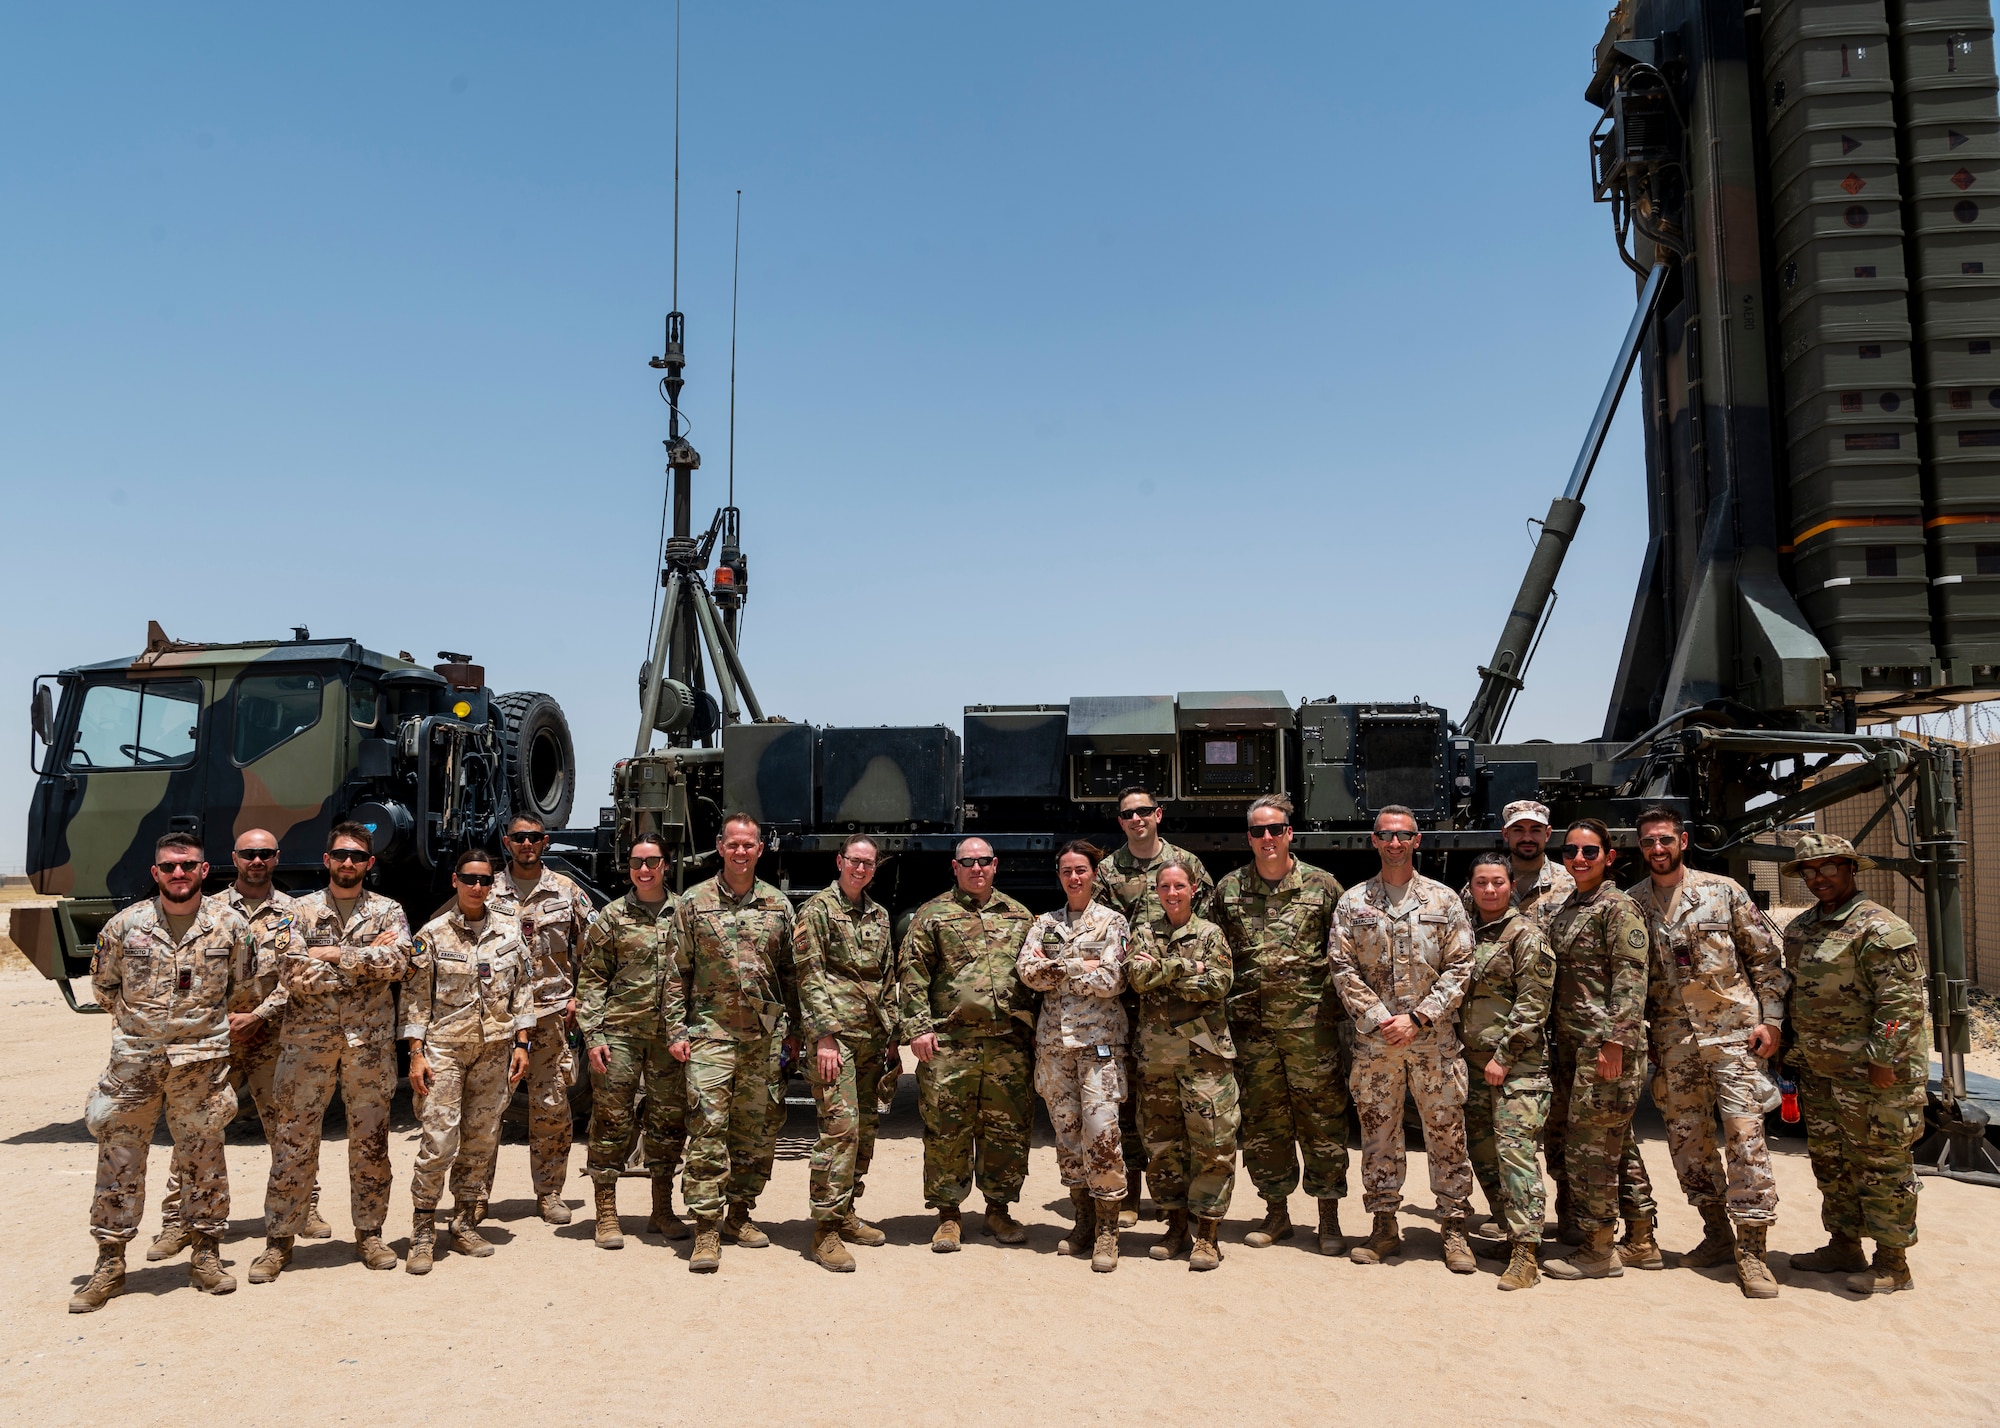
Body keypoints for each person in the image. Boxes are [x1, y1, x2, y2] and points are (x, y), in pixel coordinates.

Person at [69, 834, 254, 1313]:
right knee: (119, 1158)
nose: (178, 873)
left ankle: (207, 1254)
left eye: (187, 865)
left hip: (200, 1064)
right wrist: (148, 1029)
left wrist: (197, 1030)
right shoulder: (124, 926)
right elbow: (105, 987)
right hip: (135, 1062)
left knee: (204, 1156)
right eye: (169, 866)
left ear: (204, 870)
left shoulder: (229, 925)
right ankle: (110, 1262)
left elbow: (244, 987)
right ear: (155, 873)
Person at [148, 829, 330, 1262]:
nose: (257, 861)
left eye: (265, 854)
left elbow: (299, 976)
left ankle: (305, 1209)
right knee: (195, 1127)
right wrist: (216, 1022)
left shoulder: (294, 912)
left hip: (274, 1035)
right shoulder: (208, 910)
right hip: (215, 1039)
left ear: (277, 858)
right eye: (249, 853)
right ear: (234, 858)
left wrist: (260, 1015)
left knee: (288, 1128)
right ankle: (178, 1221)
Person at [1634, 806, 1787, 1298]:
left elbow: (1764, 957)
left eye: (1665, 840)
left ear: (1683, 841)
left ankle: (1753, 1251)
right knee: (1688, 1144)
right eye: (1649, 843)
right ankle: (1716, 1232)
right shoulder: (1633, 904)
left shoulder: (1723, 892)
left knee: (1746, 1138)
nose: (1658, 850)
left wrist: (1773, 1021)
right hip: (1674, 1044)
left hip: (1734, 1036)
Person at [252, 823, 413, 1282]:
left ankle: (370, 1233)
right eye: (340, 854)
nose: (348, 863)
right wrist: (363, 958)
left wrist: (331, 955)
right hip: (307, 1046)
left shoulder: (389, 910)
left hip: (368, 1047)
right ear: (327, 860)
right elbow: (291, 972)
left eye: (357, 856)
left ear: (369, 864)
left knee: (371, 1142)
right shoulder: (297, 911)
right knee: (293, 1141)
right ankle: (279, 1240)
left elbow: (400, 963)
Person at [1328, 805, 1477, 1270]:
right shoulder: (1354, 902)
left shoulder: (1444, 900)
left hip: (1433, 1043)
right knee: (1378, 1136)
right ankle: (1384, 1225)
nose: (1394, 843)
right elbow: (1341, 966)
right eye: (1385, 835)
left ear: (1418, 840)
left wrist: (1419, 1018)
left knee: (1447, 1134)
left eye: (1403, 835)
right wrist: (1379, 1017)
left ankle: (1454, 1228)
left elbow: (1461, 966)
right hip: (1376, 1046)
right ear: (1373, 841)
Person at [1781, 832, 1928, 1295]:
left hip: (1873, 1075)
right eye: (1809, 870)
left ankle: (1892, 1263)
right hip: (1821, 1071)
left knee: (1881, 1164)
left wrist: (1883, 1060)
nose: (1818, 878)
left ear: (1850, 869)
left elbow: (1901, 1003)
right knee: (1832, 1162)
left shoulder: (1879, 928)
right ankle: (1843, 1244)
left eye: (1827, 868)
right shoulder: (1803, 927)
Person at [1211, 794, 1349, 1254]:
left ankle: (1328, 1214)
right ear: (1248, 837)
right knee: (1265, 1121)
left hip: (1312, 1028)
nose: (1266, 838)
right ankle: (1276, 1212)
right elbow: (1216, 953)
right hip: (1253, 1029)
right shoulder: (1229, 890)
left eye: (1274, 830)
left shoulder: (1323, 886)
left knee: (1322, 1118)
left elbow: (1344, 953)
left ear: (1289, 833)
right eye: (1257, 831)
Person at [668, 813, 800, 1274]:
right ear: (720, 847)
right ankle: (706, 1227)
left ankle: (739, 1214)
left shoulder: (779, 906)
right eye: (733, 844)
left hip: (763, 1039)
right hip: (709, 1034)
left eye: (749, 845)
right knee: (707, 1128)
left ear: (760, 850)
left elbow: (790, 975)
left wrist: (796, 1032)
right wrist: (675, 1030)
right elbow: (676, 974)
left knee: (756, 1132)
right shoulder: (693, 902)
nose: (741, 852)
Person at [899, 836, 1037, 1253]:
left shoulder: (1020, 916)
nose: (976, 868)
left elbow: (1037, 975)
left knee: (1007, 1130)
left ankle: (998, 1209)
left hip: (1008, 1045)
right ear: (954, 867)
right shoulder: (932, 915)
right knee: (947, 1130)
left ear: (995, 865)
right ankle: (948, 1215)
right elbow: (912, 973)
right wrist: (918, 1028)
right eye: (967, 862)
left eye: (983, 861)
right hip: (950, 1045)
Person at [401, 848, 534, 1274]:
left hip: (495, 1049)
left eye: (485, 880)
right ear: (455, 881)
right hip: (445, 1049)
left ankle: (462, 1221)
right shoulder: (434, 934)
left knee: (481, 1138)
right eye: (470, 879)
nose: (478, 887)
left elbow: (523, 991)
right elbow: (416, 1000)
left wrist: (522, 1043)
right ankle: (423, 1228)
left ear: (493, 885)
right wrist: (416, 1054)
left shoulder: (510, 933)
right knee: (439, 1140)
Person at [1541, 819, 1656, 1282]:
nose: (1579, 859)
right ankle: (1642, 1239)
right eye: (1571, 851)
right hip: (1574, 1048)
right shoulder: (1572, 905)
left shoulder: (1618, 908)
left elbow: (1631, 982)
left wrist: (1614, 1043)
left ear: (1610, 856)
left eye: (1590, 852)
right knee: (1616, 1144)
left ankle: (1597, 1249)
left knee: (1591, 1150)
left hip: (1605, 1050)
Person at [1095, 787, 1214, 1227]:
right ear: (1121, 822)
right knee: (1130, 1102)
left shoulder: (1186, 864)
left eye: (1144, 811)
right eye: (1128, 814)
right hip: (1126, 1003)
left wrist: (1175, 966)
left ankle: (1181, 1199)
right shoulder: (1108, 872)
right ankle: (1131, 1192)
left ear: (1158, 814)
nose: (1137, 819)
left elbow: (1208, 930)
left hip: (1181, 1006)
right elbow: (1106, 935)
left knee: (1178, 1103)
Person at [1017, 842, 1130, 1272]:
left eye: (1081, 870)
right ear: (1059, 876)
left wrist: (1059, 968)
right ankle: (1082, 1220)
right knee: (1067, 1136)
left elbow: (1113, 979)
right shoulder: (1044, 923)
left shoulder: (1113, 922)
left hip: (1099, 1046)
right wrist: (1082, 964)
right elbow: (1028, 972)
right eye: (1066, 871)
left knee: (1102, 1135)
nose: (1074, 877)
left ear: (1094, 875)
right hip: (1054, 1049)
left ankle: (1108, 1230)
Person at [576, 834, 689, 1250]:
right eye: (637, 862)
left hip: (669, 1038)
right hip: (619, 1036)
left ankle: (662, 1210)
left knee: (667, 1121)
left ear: (665, 863)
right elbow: (591, 980)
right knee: (611, 1121)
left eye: (652, 861)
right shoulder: (611, 917)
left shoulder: (685, 913)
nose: (644, 870)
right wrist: (593, 1035)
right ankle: (606, 1212)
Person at [1128, 858, 1240, 1271]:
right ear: (1156, 892)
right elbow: (1137, 978)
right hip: (1156, 1060)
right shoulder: (1143, 931)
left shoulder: (1210, 933)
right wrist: (1185, 966)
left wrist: (1163, 969)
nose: (1171, 893)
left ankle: (1207, 1234)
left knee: (1212, 1144)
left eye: (1179, 886)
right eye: (1164, 887)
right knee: (1162, 1146)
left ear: (1194, 889)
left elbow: (1218, 984)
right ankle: (1175, 1226)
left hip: (1204, 1058)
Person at [795, 835, 899, 1272]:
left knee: (867, 1130)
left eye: (868, 863)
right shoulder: (817, 910)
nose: (860, 869)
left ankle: (847, 1211)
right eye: (854, 861)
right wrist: (823, 1036)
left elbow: (888, 975)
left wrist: (892, 1032)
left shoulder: (878, 914)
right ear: (840, 862)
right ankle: (826, 1231)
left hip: (873, 1038)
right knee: (840, 1130)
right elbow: (809, 973)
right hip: (835, 1043)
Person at [485, 812, 594, 1226]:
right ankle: (476, 1196)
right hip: (497, 1017)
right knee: (487, 1109)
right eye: (519, 838)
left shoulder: (566, 891)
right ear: (506, 842)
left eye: (533, 837)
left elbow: (596, 948)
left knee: (550, 1108)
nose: (526, 844)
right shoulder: (486, 890)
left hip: (549, 1015)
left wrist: (579, 998)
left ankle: (549, 1193)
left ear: (545, 841)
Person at [1462, 852, 1556, 1291]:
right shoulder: (1466, 934)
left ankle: (1526, 1253)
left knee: (1516, 1156)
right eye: (1482, 882)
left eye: (1498, 882)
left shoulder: (1526, 936)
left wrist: (1505, 1055)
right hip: (1475, 1064)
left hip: (1516, 1067)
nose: (1490, 890)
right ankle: (1504, 1227)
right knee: (1483, 1151)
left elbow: (1534, 1003)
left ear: (1511, 886)